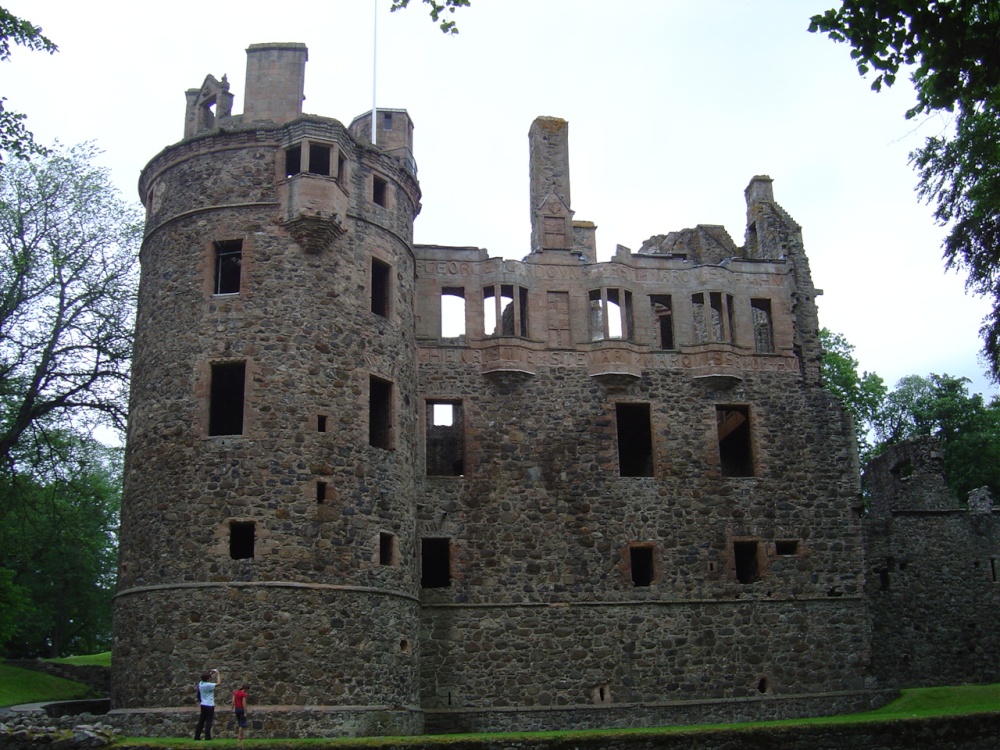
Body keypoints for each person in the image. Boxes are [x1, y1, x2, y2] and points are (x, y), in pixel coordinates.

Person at [194, 668, 221, 740]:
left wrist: (211, 673)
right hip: (209, 704)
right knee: (209, 721)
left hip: (203, 704)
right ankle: (207, 736)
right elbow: (219, 683)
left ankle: (197, 736)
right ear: (208, 679)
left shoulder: (200, 683)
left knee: (201, 721)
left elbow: (205, 677)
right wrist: (218, 674)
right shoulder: (208, 685)